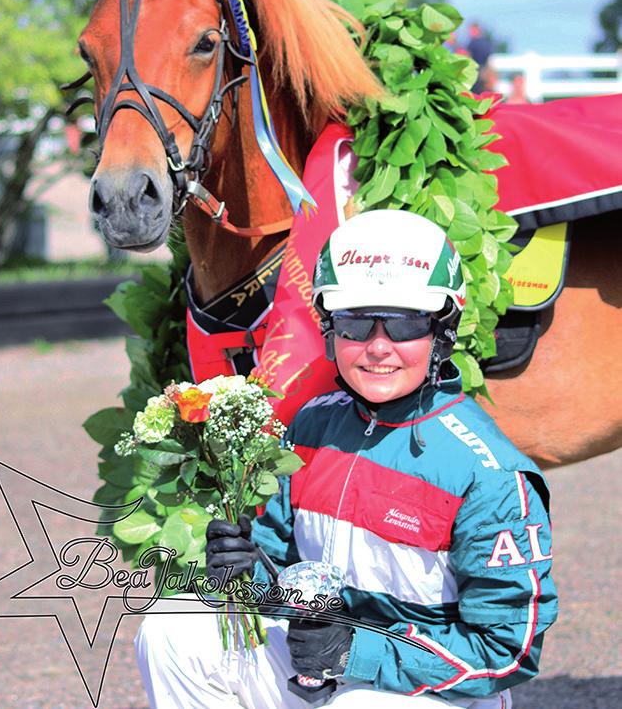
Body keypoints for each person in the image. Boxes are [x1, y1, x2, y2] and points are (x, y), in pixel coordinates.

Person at [134, 209, 557, 708]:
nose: (378, 347)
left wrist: (356, 653)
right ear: (330, 330)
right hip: (319, 665)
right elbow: (287, 579)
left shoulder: (488, 474)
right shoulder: (312, 425)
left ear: (441, 330)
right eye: (356, 323)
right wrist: (245, 569)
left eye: (404, 324)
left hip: (429, 691)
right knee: (175, 627)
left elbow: (508, 650)